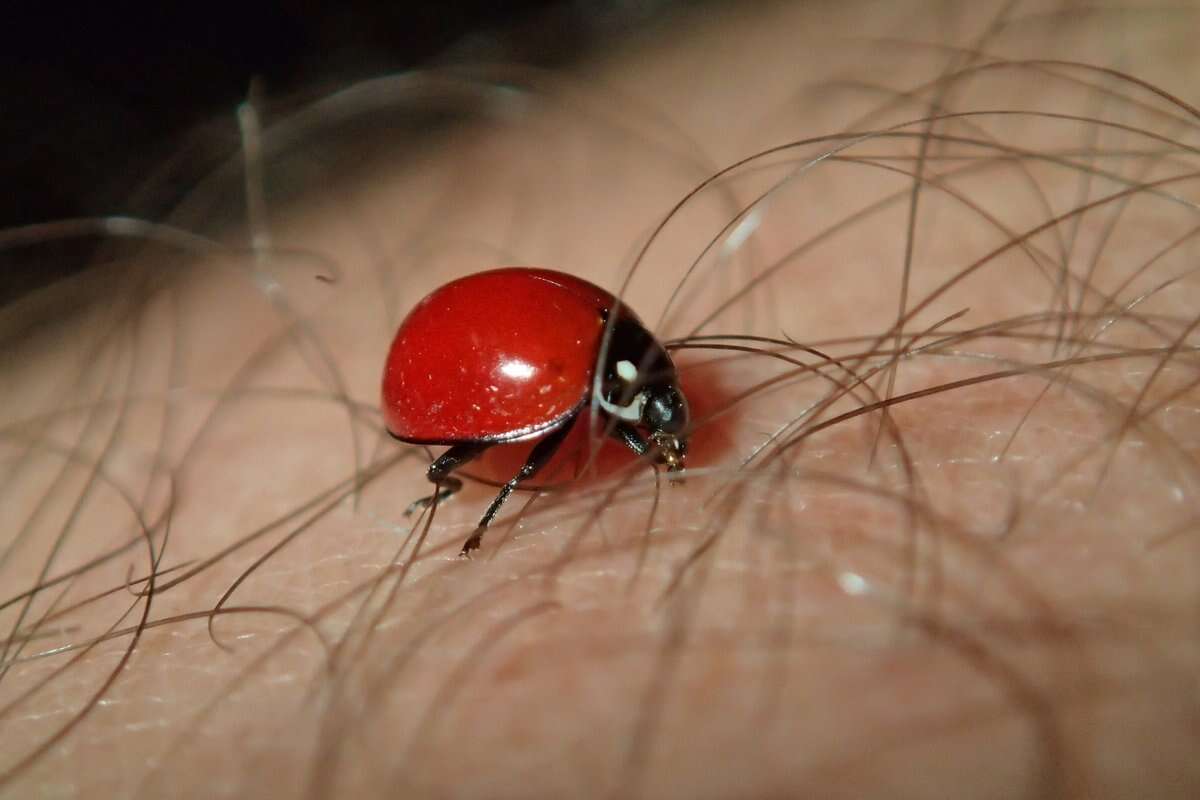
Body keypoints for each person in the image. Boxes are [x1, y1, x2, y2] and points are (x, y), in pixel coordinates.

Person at [2, 1, 1197, 796]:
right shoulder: (561, 384)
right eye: (655, 412)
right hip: (485, 376)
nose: (665, 428)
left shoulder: (604, 360)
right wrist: (475, 498)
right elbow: (529, 432)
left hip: (523, 360)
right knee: (515, 450)